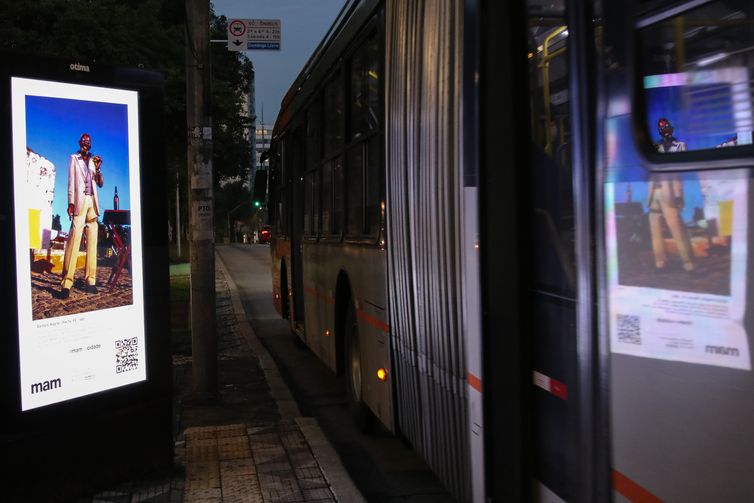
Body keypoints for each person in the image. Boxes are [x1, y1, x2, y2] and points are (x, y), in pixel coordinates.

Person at [59, 133, 104, 298]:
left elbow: (100, 183)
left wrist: (98, 169)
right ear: (80, 143)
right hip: (80, 201)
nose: (86, 143)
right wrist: (70, 202)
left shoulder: (94, 161)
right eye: (84, 140)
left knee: (92, 243)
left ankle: (91, 280)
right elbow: (71, 181)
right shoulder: (74, 158)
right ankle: (67, 283)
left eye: (89, 141)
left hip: (93, 202)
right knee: (74, 239)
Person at [647, 118, 694, 272]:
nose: (664, 130)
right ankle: (660, 263)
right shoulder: (655, 147)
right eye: (662, 128)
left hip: (669, 192)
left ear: (671, 129)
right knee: (655, 230)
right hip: (654, 191)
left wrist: (679, 194)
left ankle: (688, 264)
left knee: (676, 228)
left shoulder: (680, 146)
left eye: (667, 127)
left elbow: (680, 172)